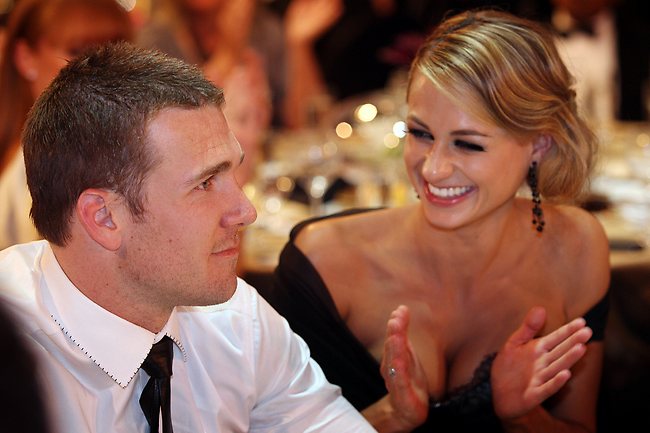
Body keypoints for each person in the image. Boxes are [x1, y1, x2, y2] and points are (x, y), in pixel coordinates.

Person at [262, 9, 610, 433]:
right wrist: (387, 418)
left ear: (539, 144)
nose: (433, 169)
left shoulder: (576, 247)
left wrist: (523, 417)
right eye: (420, 134)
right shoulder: (325, 263)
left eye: (467, 144)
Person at [0, 42, 375, 433]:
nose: (247, 212)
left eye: (233, 173)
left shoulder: (236, 323)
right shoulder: (14, 367)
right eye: (206, 183)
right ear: (104, 217)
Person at [0, 0, 134, 250]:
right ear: (25, 56)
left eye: (115, 49)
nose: (101, 68)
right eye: (78, 51)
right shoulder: (40, 162)